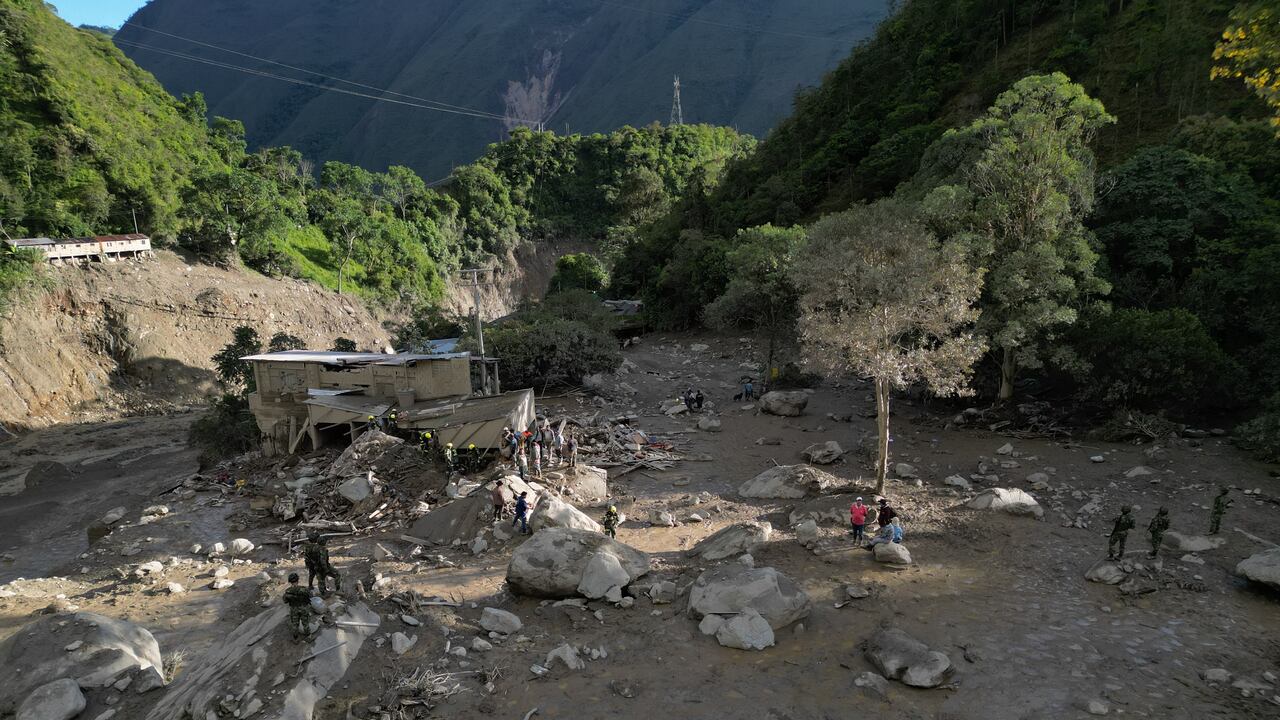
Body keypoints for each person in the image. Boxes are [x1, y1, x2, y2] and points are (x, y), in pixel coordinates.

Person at [283, 572, 313, 640]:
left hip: (294, 609)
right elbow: (311, 595)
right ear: (297, 580)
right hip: (304, 608)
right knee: (305, 623)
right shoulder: (304, 589)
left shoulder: (287, 591)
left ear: (290, 581)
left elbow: (285, 601)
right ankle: (308, 636)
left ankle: (295, 638)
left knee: (295, 624)